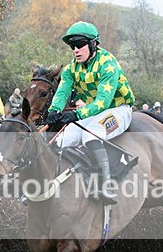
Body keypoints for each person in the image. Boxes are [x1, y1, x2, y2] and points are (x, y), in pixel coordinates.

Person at [45, 21, 135, 204]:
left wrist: (76, 115)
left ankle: (106, 185)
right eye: (72, 46)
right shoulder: (71, 68)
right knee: (61, 141)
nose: (75, 50)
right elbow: (62, 91)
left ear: (93, 44)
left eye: (79, 45)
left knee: (90, 136)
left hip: (118, 109)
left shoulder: (107, 63)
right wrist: (54, 110)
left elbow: (103, 101)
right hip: (93, 113)